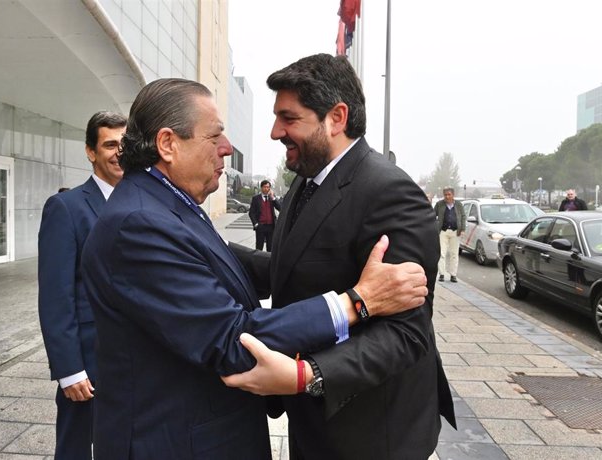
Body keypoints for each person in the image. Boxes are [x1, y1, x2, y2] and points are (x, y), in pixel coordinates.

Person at [79, 78, 430, 459]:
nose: (227, 148)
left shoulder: (166, 204)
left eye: (288, 117)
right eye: (215, 137)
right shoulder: (140, 224)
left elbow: (229, 264)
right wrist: (358, 301)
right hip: (177, 441)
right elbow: (232, 339)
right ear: (168, 144)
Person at [224, 53, 456, 460]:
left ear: (336, 117)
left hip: (370, 434)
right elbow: (291, 272)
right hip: (316, 425)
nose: (275, 131)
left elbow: (407, 335)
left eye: (288, 118)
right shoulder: (306, 181)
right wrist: (207, 247)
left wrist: (306, 376)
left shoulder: (389, 194)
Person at [37, 111, 126, 459]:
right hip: (88, 362)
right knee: (76, 447)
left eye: (124, 144)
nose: (119, 151)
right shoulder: (66, 208)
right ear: (91, 151)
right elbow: (56, 296)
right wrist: (69, 369)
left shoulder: (143, 203)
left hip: (135, 357)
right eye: (109, 144)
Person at [434, 186, 466, 283]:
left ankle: (453, 275)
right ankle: (442, 274)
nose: (447, 197)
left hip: (455, 232)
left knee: (454, 254)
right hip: (443, 232)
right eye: (445, 195)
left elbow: (463, 216)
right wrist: (435, 226)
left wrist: (463, 228)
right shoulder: (439, 204)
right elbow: (432, 214)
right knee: (441, 253)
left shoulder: (459, 205)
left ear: (453, 195)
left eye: (449, 194)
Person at [249, 179, 281, 251]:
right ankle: (257, 261)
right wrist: (256, 224)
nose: (266, 189)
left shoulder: (272, 198)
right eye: (265, 187)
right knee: (259, 246)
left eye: (268, 187)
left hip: (271, 227)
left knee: (270, 247)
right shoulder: (256, 198)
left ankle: (269, 262)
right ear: (261, 188)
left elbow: (280, 208)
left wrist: (273, 198)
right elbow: (251, 212)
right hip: (260, 226)